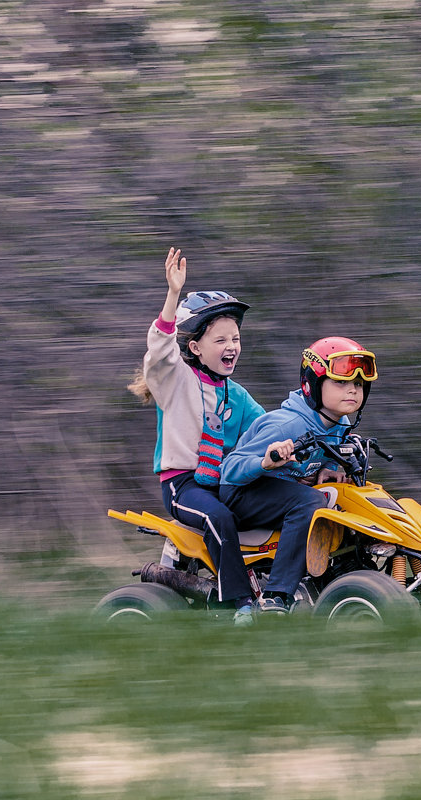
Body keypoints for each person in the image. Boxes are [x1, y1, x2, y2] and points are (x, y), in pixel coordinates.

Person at [127, 247, 265, 627]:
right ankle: (239, 605)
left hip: (220, 481)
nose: (231, 347)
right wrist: (173, 295)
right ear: (195, 347)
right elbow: (159, 352)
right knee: (219, 516)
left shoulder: (235, 394)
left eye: (234, 339)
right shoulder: (177, 381)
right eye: (220, 340)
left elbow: (269, 428)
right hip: (182, 485)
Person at [219, 336, 378, 614]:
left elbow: (318, 456)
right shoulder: (286, 426)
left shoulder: (338, 423)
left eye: (358, 384)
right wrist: (265, 463)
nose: (352, 390)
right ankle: (276, 596)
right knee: (309, 503)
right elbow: (229, 470)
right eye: (340, 382)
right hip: (240, 492)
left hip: (279, 492)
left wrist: (328, 469)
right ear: (312, 385)